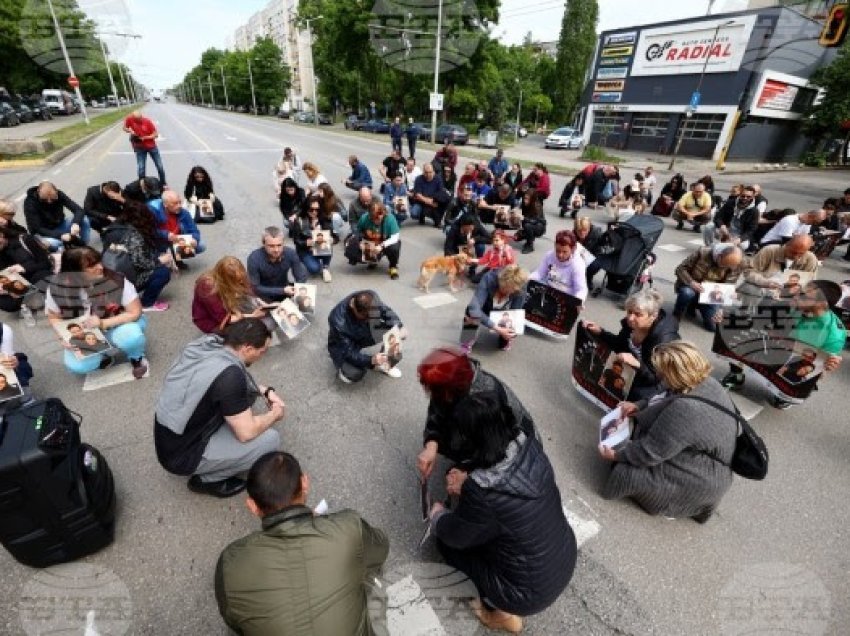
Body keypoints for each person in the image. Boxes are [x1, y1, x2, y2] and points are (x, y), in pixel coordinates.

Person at [427, 395, 576, 633]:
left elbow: (456, 535)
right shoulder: (530, 445)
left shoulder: (483, 493)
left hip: (524, 595)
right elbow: (506, 488)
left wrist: (439, 515)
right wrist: (468, 481)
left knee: (446, 544)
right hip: (564, 558)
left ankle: (498, 613)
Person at [214, 451, 389, 635]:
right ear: (305, 483)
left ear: (252, 505)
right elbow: (381, 548)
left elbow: (234, 623)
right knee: (366, 563)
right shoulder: (348, 529)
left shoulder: (231, 563)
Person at [599, 342, 737, 523]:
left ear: (676, 373)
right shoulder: (705, 382)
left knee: (625, 471)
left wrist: (616, 455)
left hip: (700, 480)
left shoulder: (686, 409)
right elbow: (663, 397)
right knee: (637, 443)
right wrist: (638, 405)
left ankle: (678, 504)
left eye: (662, 372)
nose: (658, 375)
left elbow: (651, 451)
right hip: (712, 470)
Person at [154, 319, 284, 498]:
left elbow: (228, 383)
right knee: (271, 440)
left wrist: (265, 391)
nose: (262, 356)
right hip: (182, 457)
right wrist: (275, 414)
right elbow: (246, 432)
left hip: (169, 438)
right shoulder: (230, 377)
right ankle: (208, 480)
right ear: (247, 348)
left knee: (245, 399)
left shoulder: (205, 345)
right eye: (262, 351)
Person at [416, 346, 536, 480]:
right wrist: (431, 445)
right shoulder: (450, 383)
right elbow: (436, 413)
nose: (430, 394)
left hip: (513, 446)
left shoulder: (483, 404)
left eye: (434, 390)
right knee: (450, 440)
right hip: (487, 435)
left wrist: (469, 476)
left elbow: (495, 451)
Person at [721, 280, 846, 409]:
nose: (797, 297)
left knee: (800, 377)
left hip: (795, 362)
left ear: (822, 304)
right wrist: (726, 318)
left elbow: (819, 370)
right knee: (739, 330)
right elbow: (752, 320)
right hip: (777, 345)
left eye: (803, 295)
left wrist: (829, 365)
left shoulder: (834, 335)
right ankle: (736, 374)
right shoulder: (792, 305)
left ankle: (783, 393)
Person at [46, 247, 149, 377]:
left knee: (132, 336)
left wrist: (102, 323)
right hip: (82, 334)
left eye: (99, 262)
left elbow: (135, 312)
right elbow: (54, 317)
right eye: (91, 266)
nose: (100, 267)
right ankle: (102, 356)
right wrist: (63, 336)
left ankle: (136, 356)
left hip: (115, 325)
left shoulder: (115, 279)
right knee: (78, 367)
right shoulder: (57, 288)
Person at [584, 290, 681, 400]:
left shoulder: (663, 339)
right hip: (638, 370)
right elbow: (619, 345)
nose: (630, 318)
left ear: (653, 316)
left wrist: (636, 364)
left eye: (638, 314)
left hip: (663, 378)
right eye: (629, 311)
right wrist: (601, 332)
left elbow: (656, 377)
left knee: (636, 395)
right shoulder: (630, 324)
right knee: (600, 368)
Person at [327, 290, 404, 383]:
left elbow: (385, 310)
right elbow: (348, 352)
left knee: (392, 330)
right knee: (354, 373)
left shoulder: (371, 296)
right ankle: (342, 369)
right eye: (365, 317)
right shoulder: (337, 321)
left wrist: (398, 326)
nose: (368, 320)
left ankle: (384, 364)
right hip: (343, 345)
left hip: (360, 332)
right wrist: (371, 360)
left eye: (370, 317)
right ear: (353, 307)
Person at [672, 244, 747, 331]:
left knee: (714, 327)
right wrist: (691, 282)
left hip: (712, 294)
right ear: (719, 256)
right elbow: (680, 269)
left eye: (728, 267)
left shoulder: (737, 264)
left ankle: (696, 305)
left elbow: (728, 286)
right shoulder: (703, 253)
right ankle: (677, 314)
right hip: (692, 287)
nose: (724, 268)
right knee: (687, 293)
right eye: (723, 264)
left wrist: (722, 307)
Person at [115, 200, 173, 311]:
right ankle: (147, 303)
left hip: (116, 275)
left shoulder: (120, 228)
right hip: (126, 279)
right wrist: (160, 260)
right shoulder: (134, 236)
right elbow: (141, 262)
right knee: (163, 273)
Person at [735, 235, 818, 307]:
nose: (795, 257)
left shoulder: (810, 259)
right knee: (750, 289)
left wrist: (791, 292)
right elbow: (749, 272)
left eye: (800, 254)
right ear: (787, 245)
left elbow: (809, 283)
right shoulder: (769, 250)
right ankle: (746, 316)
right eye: (793, 252)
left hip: (789, 291)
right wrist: (766, 283)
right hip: (763, 285)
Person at [462, 265, 528, 353]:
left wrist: (510, 330)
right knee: (470, 312)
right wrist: (497, 328)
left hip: (502, 311)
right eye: (504, 289)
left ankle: (505, 340)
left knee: (512, 329)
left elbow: (516, 311)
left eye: (511, 291)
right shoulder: (488, 278)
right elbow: (474, 308)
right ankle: (467, 338)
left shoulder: (521, 285)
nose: (507, 293)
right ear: (500, 281)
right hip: (486, 306)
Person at [193, 257, 267, 334]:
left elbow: (247, 288)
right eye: (237, 281)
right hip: (212, 320)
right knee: (246, 334)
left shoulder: (223, 277)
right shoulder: (208, 287)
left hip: (227, 302)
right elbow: (224, 319)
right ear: (226, 280)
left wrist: (258, 300)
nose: (241, 281)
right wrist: (252, 315)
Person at [247, 226, 309, 303]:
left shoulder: (290, 254)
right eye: (271, 246)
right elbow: (255, 287)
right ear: (263, 244)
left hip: (285, 290)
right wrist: (282, 290)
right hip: (264, 295)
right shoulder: (254, 259)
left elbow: (301, 276)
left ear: (283, 243)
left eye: (279, 245)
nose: (276, 250)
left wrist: (297, 288)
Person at [23, 181, 91, 251]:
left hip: (60, 225)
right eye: (44, 199)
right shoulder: (29, 203)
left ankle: (84, 248)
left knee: (84, 219)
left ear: (56, 192)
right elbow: (38, 228)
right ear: (38, 193)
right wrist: (60, 235)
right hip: (43, 233)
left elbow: (79, 210)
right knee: (57, 244)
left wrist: (75, 223)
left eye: (52, 198)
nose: (49, 201)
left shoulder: (59, 194)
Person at [0, 224, 52, 314]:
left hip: (35, 275)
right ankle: (31, 298)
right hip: (15, 284)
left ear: (1, 235)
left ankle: (40, 297)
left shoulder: (25, 239)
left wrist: (24, 268)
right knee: (7, 304)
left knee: (44, 277)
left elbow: (46, 263)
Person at [529, 230, 588, 301]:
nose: (560, 255)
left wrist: (579, 300)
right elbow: (539, 273)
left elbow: (581, 289)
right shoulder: (549, 255)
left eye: (564, 252)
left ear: (573, 249)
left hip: (566, 296)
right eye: (558, 250)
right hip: (549, 290)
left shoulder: (578, 264)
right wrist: (527, 279)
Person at [348, 202, 402, 280]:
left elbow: (395, 237)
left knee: (395, 246)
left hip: (384, 244)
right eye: (374, 218)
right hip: (370, 243)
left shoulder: (390, 219)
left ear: (384, 214)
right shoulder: (364, 218)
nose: (377, 221)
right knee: (352, 245)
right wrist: (359, 242)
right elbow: (357, 232)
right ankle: (372, 261)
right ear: (369, 216)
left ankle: (393, 266)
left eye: (380, 218)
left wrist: (381, 246)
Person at [148, 190, 205, 262]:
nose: (179, 206)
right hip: (160, 243)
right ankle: (163, 258)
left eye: (180, 202)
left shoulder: (184, 213)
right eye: (175, 203)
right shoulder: (155, 212)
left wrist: (194, 239)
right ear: (165, 204)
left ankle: (176, 258)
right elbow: (150, 230)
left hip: (177, 242)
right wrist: (166, 235)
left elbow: (194, 231)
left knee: (201, 245)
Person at [289, 200, 334, 282]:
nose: (314, 212)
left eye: (317, 210)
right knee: (314, 269)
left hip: (320, 247)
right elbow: (296, 240)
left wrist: (331, 239)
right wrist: (306, 243)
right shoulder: (299, 220)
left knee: (329, 246)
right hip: (305, 250)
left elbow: (331, 233)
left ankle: (325, 267)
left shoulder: (324, 218)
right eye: (311, 209)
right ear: (306, 209)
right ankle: (304, 261)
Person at [702, 185, 759, 249]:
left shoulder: (754, 211)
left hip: (739, 235)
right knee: (709, 226)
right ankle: (708, 248)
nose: (745, 198)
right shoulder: (730, 202)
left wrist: (740, 239)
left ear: (753, 197)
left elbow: (751, 230)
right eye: (743, 196)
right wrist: (722, 226)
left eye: (748, 197)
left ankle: (733, 254)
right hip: (725, 230)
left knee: (744, 245)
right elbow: (718, 216)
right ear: (740, 194)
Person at [123, 110, 166, 184]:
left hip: (151, 146)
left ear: (141, 117)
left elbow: (155, 135)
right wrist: (130, 131)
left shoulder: (147, 122)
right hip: (139, 147)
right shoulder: (129, 119)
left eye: (139, 119)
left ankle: (163, 183)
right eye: (136, 120)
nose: (138, 121)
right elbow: (124, 128)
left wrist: (145, 138)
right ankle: (142, 185)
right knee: (141, 168)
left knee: (160, 166)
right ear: (133, 118)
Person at [759, 209, 826, 246]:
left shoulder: (807, 224)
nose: (814, 224)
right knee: (792, 246)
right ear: (810, 216)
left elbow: (803, 238)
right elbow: (786, 241)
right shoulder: (790, 220)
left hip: (784, 243)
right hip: (769, 243)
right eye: (815, 222)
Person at [514, 188, 547, 254]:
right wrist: (515, 211)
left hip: (539, 227)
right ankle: (528, 236)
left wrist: (523, 218)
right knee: (517, 237)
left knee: (527, 225)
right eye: (525, 198)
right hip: (528, 223)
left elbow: (535, 221)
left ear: (532, 199)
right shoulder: (524, 204)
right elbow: (518, 210)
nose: (525, 200)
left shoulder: (537, 206)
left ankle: (530, 245)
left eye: (527, 199)